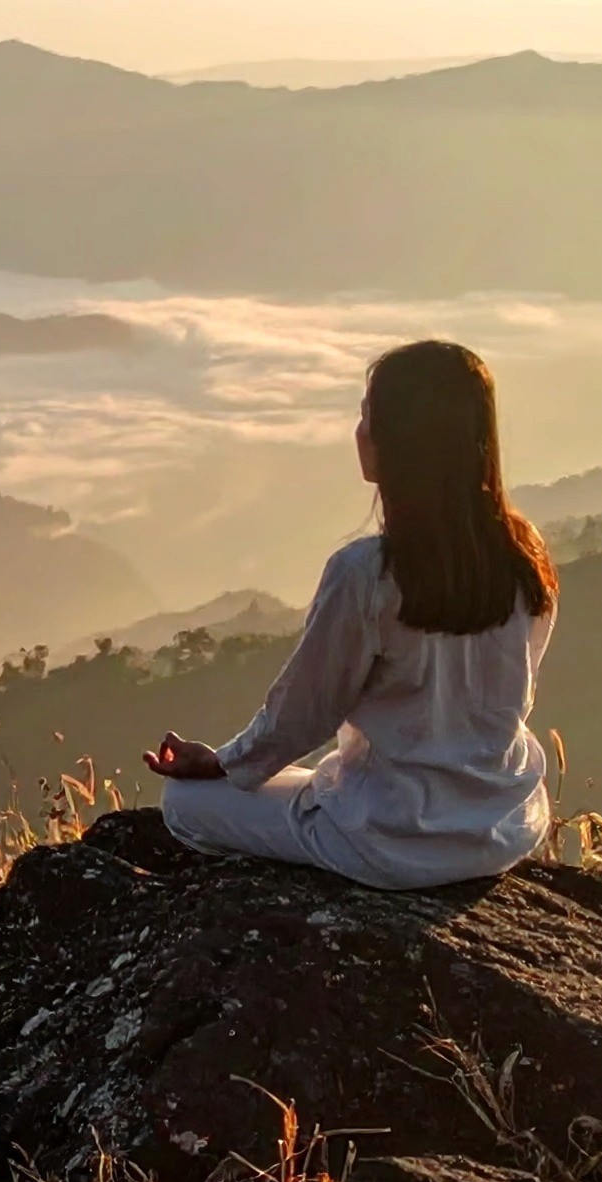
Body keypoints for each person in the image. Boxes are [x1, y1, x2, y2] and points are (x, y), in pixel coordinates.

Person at [141, 339, 558, 889]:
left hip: (386, 839)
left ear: (397, 441)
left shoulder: (366, 573)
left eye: (367, 416)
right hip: (500, 827)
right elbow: (514, 690)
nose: (359, 431)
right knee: (311, 781)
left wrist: (220, 763)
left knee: (184, 801)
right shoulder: (522, 553)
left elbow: (304, 715)